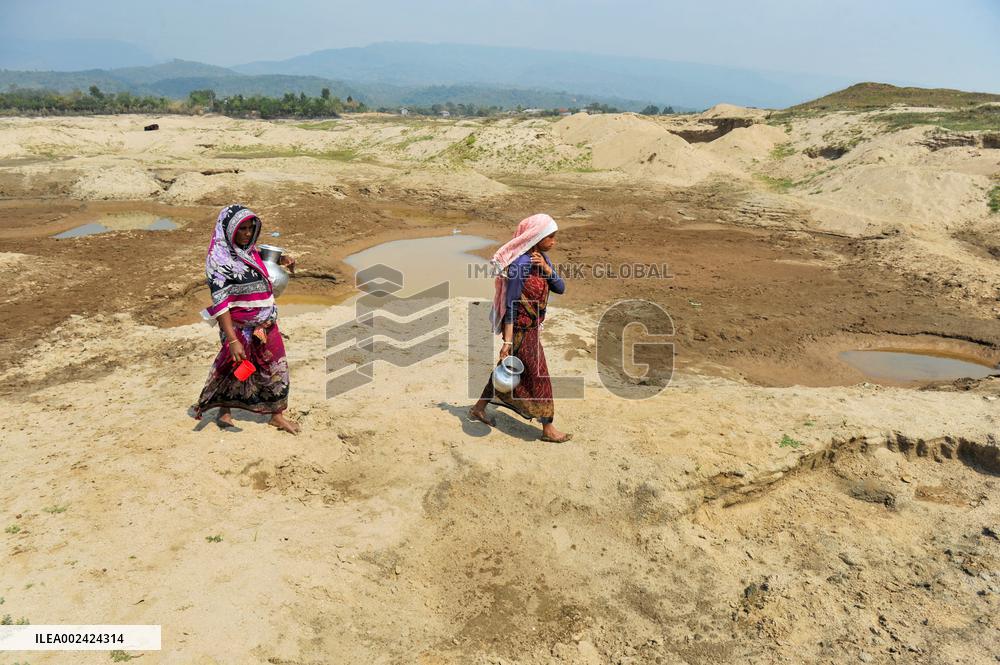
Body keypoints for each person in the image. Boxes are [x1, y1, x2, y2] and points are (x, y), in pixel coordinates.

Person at [192, 204, 300, 434]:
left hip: (266, 325)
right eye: (242, 229)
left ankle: (276, 415)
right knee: (233, 368)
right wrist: (232, 339)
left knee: (275, 366)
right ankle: (224, 411)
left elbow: (265, 258)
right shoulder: (218, 260)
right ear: (229, 230)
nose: (248, 234)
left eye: (251, 229)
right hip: (237, 327)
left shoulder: (250, 251)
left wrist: (283, 260)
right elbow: (220, 303)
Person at [469, 213, 572, 443]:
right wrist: (506, 341)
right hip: (520, 331)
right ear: (537, 237)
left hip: (534, 328)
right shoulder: (520, 266)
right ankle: (548, 428)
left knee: (505, 371)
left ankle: (478, 408)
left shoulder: (542, 260)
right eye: (551, 237)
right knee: (540, 376)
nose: (554, 241)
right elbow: (511, 305)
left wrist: (547, 269)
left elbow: (561, 288)